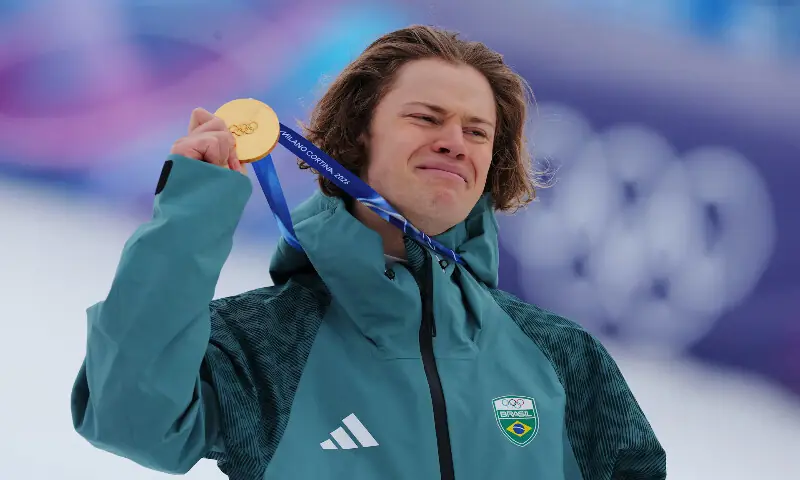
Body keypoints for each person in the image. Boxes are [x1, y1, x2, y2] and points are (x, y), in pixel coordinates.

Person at [70, 25, 666, 480]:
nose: (454, 143)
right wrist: (192, 211)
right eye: (426, 117)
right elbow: (128, 417)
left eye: (477, 131)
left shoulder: (563, 358)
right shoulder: (266, 344)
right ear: (359, 133)